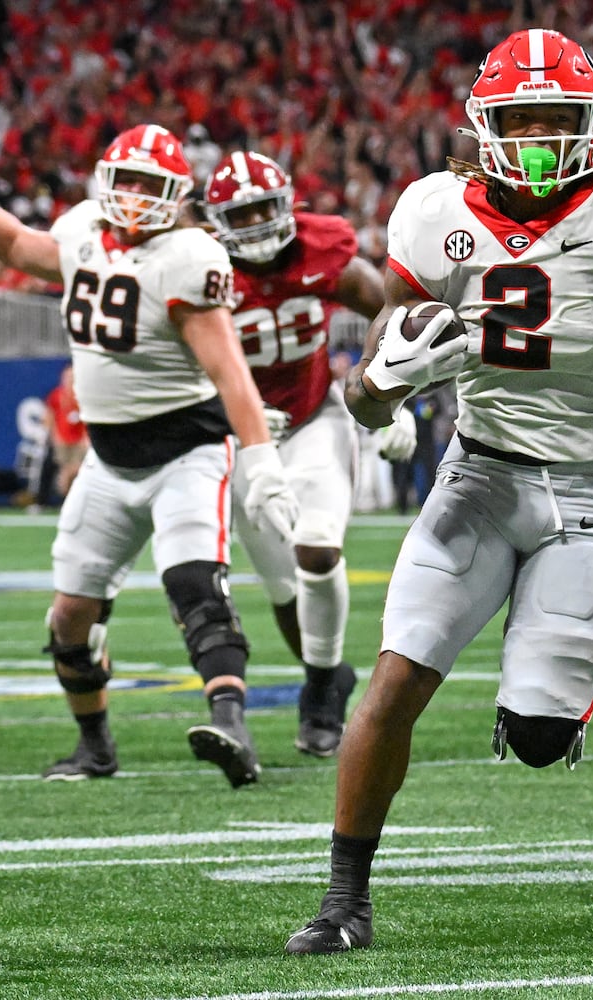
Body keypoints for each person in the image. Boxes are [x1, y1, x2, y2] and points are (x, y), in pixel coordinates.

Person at [285, 28, 593, 954]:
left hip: (582, 493)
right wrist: (387, 383)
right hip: (479, 475)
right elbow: (362, 399)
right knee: (397, 677)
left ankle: (542, 672)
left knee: (537, 737)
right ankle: (342, 902)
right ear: (483, 125)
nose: (536, 135)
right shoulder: (432, 212)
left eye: (556, 118)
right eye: (519, 118)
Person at [0, 124, 300, 786]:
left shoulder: (188, 255)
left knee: (193, 585)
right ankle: (95, 746)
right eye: (123, 181)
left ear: (176, 195)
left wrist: (260, 455)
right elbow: (13, 244)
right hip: (108, 460)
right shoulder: (82, 230)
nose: (131, 197)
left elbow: (229, 369)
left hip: (187, 449)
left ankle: (232, 725)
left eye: (147, 186)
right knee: (69, 614)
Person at [201, 149, 392, 757]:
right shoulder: (199, 267)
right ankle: (327, 674)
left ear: (289, 206)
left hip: (313, 420)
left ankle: (319, 692)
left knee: (317, 548)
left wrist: (385, 389)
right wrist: (225, 411)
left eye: (265, 209)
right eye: (243, 213)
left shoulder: (322, 247)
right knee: (282, 590)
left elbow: (391, 304)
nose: (256, 224)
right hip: (242, 436)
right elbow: (169, 362)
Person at [44, 363, 87, 503]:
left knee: (77, 469)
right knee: (64, 471)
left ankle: (74, 499)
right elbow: (49, 417)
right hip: (62, 440)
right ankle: (66, 500)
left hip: (79, 440)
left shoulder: (82, 394)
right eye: (68, 376)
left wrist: (87, 438)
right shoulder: (56, 395)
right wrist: (54, 436)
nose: (70, 379)